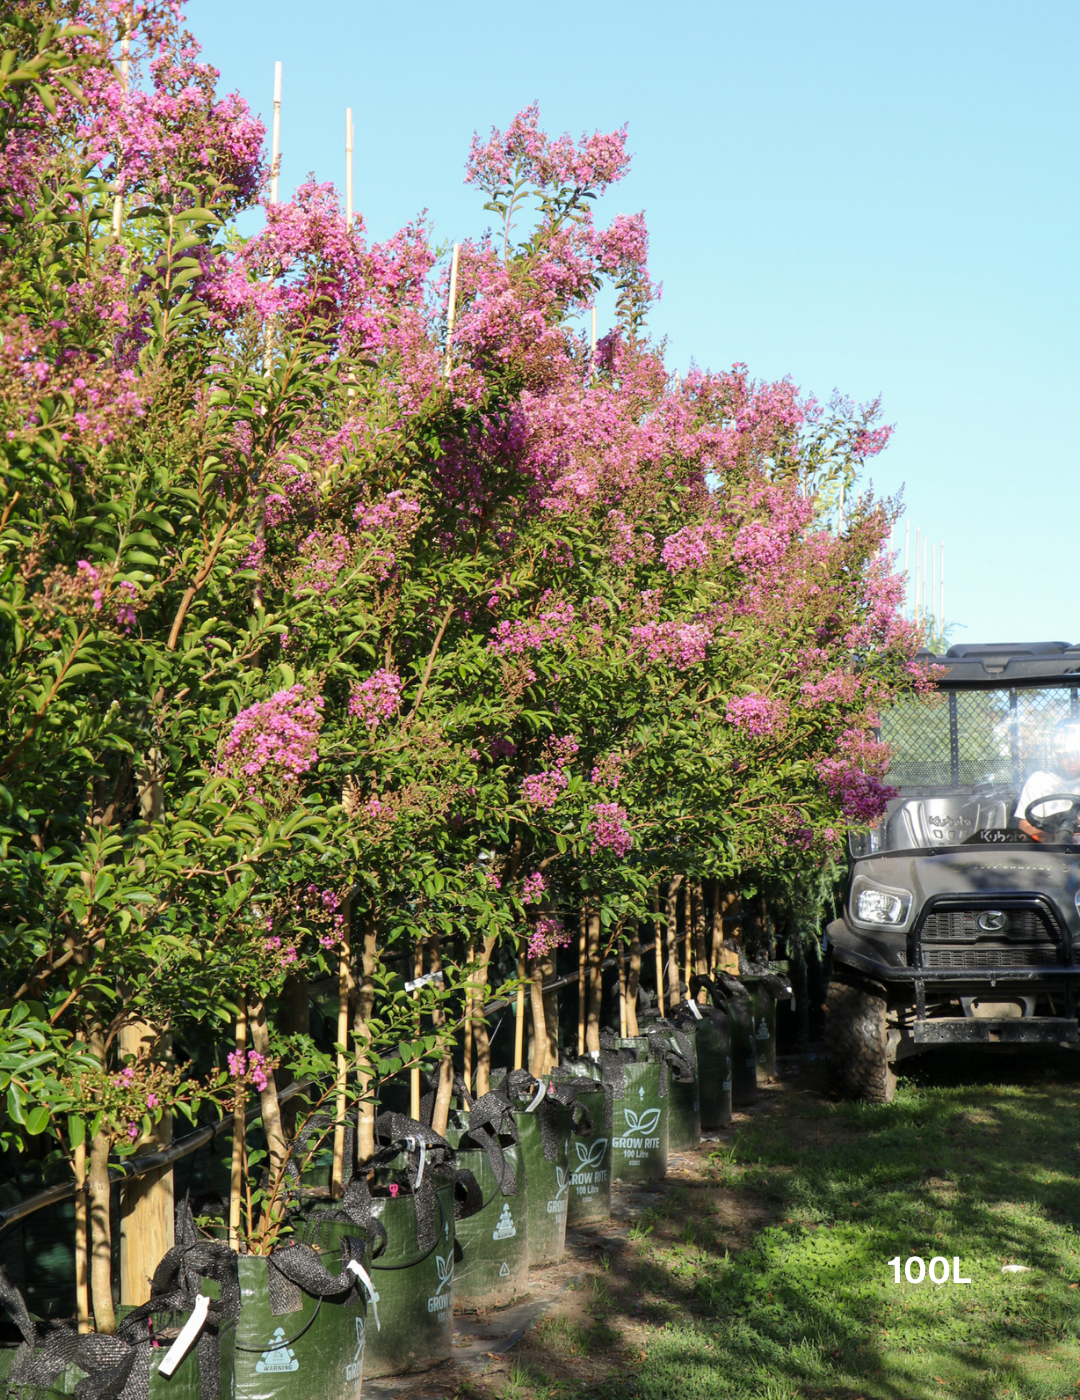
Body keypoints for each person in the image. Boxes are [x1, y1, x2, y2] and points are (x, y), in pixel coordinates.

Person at [1015, 717, 1080, 841]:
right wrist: (1058, 836)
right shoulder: (1038, 780)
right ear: (1057, 755)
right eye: (1066, 755)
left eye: (1077, 755)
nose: (1072, 760)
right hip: (1051, 851)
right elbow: (1024, 825)